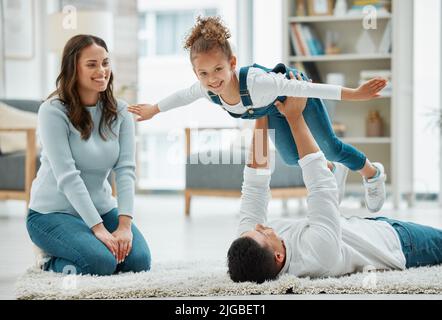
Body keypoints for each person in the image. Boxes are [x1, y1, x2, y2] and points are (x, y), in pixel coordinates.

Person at [128, 16, 387, 213]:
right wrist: (154, 109)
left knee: (330, 146)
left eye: (218, 69)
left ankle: (372, 173)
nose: (212, 79)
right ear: (196, 73)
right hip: (271, 108)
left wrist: (355, 93)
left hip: (297, 94)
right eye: (203, 73)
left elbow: (307, 87)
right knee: (289, 156)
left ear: (232, 64)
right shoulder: (207, 90)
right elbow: (183, 96)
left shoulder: (257, 83)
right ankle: (331, 171)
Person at [226, 93, 442, 284]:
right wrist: (294, 117)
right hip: (401, 244)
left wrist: (259, 113)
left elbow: (255, 183)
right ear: (278, 257)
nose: (261, 226)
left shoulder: (249, 240)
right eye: (263, 233)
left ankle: (335, 172)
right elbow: (320, 185)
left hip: (359, 226)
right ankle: (339, 173)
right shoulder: (318, 255)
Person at [26, 35, 151, 276]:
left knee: (139, 262)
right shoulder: (52, 111)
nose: (102, 70)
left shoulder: (121, 111)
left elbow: (125, 170)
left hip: (102, 208)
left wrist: (124, 226)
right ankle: (48, 262)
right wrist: (99, 230)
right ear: (73, 68)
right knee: (99, 263)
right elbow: (67, 176)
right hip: (52, 213)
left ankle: (87, 244)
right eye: (92, 64)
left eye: (105, 62)